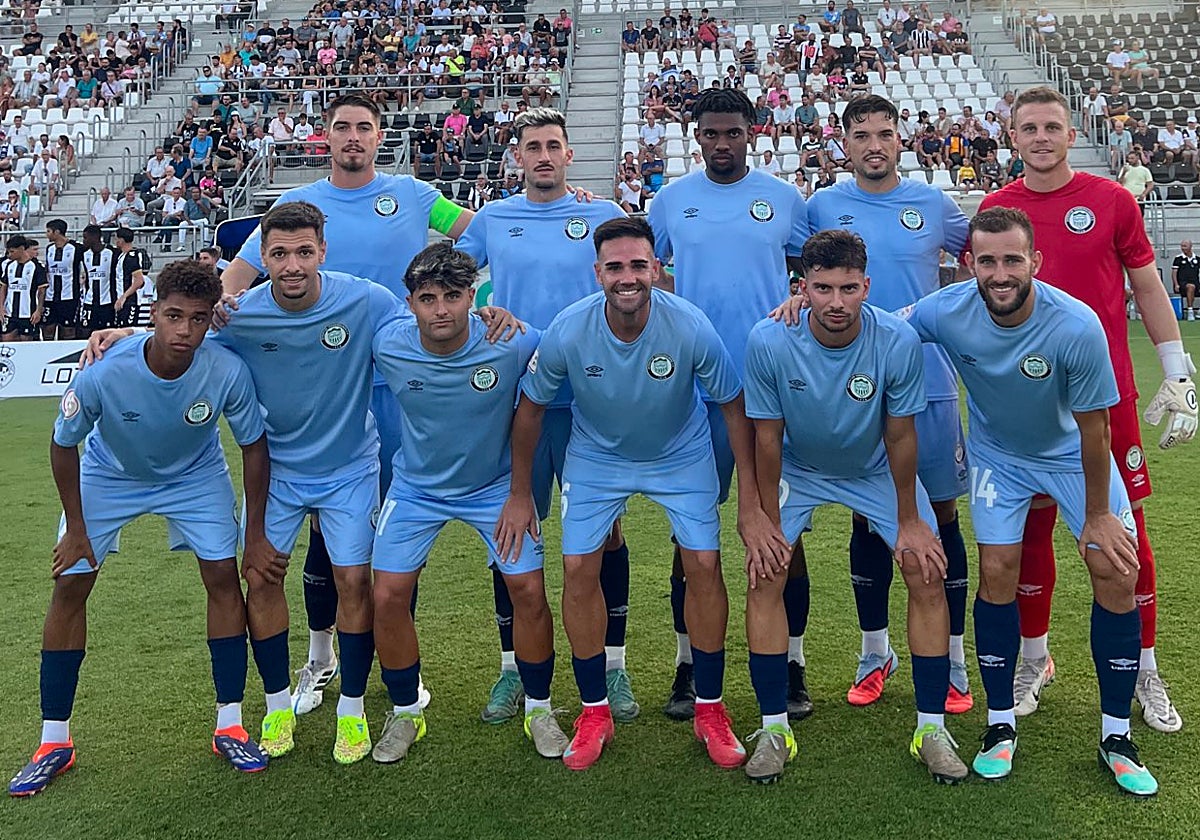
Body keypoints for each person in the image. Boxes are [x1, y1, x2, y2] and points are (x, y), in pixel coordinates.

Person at [219, 94, 480, 717]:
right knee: (318, 533)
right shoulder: (296, 209)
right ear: (326, 136)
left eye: (365, 127)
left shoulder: (416, 196)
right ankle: (318, 658)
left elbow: (483, 233)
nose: (354, 137)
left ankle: (396, 664)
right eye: (342, 128)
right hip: (326, 388)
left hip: (397, 390)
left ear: (379, 135)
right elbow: (238, 273)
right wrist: (222, 307)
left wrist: (557, 209)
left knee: (379, 539)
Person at [498, 216, 785, 772]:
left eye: (637, 265)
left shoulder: (690, 326)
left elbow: (733, 407)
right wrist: (518, 492)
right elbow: (530, 408)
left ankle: (710, 709)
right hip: (597, 458)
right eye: (614, 267)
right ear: (597, 272)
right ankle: (594, 710)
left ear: (656, 267)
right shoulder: (568, 329)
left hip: (680, 456)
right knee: (579, 569)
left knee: (703, 564)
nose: (626, 277)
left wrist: (750, 501)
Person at [905, 206, 1157, 796]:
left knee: (1116, 568)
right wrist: (801, 305)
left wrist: (1097, 515)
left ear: (1034, 263)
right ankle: (999, 725)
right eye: (986, 260)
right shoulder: (946, 310)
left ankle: (1116, 735)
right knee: (996, 570)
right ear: (967, 264)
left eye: (1012, 259)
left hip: (1073, 455)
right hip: (1000, 459)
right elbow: (882, 324)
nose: (999, 272)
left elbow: (1096, 430)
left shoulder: (1076, 324)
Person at [8, 261, 275, 796]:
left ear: (208, 323)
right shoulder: (105, 371)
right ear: (152, 314)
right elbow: (64, 446)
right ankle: (53, 741)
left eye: (198, 319)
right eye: (173, 316)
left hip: (195, 476)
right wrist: (77, 528)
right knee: (70, 583)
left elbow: (254, 447)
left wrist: (256, 533)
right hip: (110, 475)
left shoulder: (224, 370)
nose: (184, 331)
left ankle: (230, 725)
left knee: (223, 579)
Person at [978, 87, 1196, 736]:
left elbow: (1148, 284)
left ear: (1072, 134)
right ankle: (1033, 660)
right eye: (1028, 128)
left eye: (1052, 126)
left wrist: (1178, 371)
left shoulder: (1112, 201)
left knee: (1127, 536)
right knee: (1028, 534)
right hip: (1025, 405)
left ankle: (1145, 670)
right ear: (1012, 137)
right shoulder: (996, 208)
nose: (1041, 137)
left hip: (1104, 401)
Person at [744, 229, 964, 784]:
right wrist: (767, 522)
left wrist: (911, 521)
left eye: (848, 288)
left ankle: (931, 728)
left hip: (872, 470)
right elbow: (766, 439)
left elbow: (900, 435)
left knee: (925, 570)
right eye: (822, 288)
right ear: (803, 288)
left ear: (867, 285)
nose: (836, 302)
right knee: (766, 576)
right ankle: (774, 727)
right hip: (801, 469)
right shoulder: (769, 340)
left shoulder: (895, 340)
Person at [455, 108, 638, 723]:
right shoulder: (493, 219)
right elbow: (453, 276)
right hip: (518, 403)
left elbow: (637, 278)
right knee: (513, 533)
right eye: (531, 146)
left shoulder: (600, 215)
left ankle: (613, 668)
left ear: (568, 155)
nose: (542, 156)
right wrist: (481, 310)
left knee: (606, 536)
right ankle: (514, 670)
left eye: (552, 146)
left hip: (591, 403)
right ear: (516, 155)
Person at [800, 95, 973, 713]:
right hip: (851, 394)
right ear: (842, 142)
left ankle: (953, 660)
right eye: (861, 134)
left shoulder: (934, 205)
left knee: (942, 519)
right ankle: (875, 652)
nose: (874, 144)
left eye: (885, 133)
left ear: (903, 140)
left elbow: (988, 252)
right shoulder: (821, 206)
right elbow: (792, 269)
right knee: (867, 517)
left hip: (926, 387)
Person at [368, 242, 569, 763]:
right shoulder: (387, 343)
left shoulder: (509, 341)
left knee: (527, 589)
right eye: (429, 298)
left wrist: (523, 493)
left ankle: (540, 709)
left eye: (454, 296)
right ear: (409, 302)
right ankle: (406, 710)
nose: (441, 310)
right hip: (416, 489)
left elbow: (571, 348)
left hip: (496, 489)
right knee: (387, 595)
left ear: (472, 297)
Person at [648, 88, 810, 721]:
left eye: (732, 133)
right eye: (710, 133)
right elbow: (645, 263)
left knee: (780, 530)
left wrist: (796, 295)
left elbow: (811, 267)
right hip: (694, 393)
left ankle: (792, 664)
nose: (721, 143)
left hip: (770, 389)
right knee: (690, 538)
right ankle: (690, 664)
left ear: (753, 131)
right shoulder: (672, 200)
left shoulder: (784, 199)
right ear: (697, 135)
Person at [40, 219, 82, 340]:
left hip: (69, 296)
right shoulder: (49, 249)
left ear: (57, 232)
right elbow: (47, 269)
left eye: (48, 231)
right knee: (48, 328)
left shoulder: (76, 248)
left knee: (68, 329)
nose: (46, 234)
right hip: (50, 296)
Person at [76, 225, 120, 337]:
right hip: (89, 302)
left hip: (107, 302)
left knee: (108, 334)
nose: (84, 241)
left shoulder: (113, 253)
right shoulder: (84, 254)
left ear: (95, 237)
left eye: (85, 237)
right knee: (85, 332)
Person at [1, 236, 47, 342]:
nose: (10, 255)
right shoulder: (9, 266)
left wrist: (38, 311)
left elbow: (42, 291)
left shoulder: (36, 267)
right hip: (10, 313)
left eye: (12, 251)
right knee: (7, 340)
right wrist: (1, 307)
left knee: (26, 342)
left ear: (22, 249)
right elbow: (3, 287)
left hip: (28, 313)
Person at [111, 228, 146, 327]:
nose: (115, 241)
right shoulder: (121, 255)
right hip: (121, 300)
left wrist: (124, 297)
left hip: (130, 301)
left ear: (121, 240)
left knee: (128, 330)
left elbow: (139, 281)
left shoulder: (131, 257)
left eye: (116, 238)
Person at [1172, 239, 1198, 320]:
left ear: (1190, 246)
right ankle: (1190, 311)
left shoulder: (1197, 259)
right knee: (1191, 287)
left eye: (1185, 246)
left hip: (1196, 282)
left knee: (1194, 286)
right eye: (1182, 246)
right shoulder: (1178, 259)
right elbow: (1174, 272)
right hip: (1183, 284)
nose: (1183, 248)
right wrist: (1176, 284)